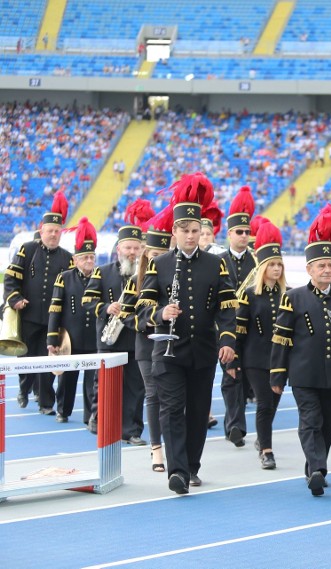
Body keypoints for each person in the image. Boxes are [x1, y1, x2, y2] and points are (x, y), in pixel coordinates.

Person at [136, 173, 238, 495]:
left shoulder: (216, 264)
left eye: (196, 230)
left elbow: (227, 307)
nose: (192, 235)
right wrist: (160, 313)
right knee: (170, 409)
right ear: (175, 231)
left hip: (203, 351)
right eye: (186, 230)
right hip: (167, 352)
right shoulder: (160, 264)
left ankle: (192, 465)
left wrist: (227, 339)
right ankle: (177, 471)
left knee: (196, 412)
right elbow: (142, 309)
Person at [270, 205, 331, 495]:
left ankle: (314, 463)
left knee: (327, 424)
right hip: (303, 374)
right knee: (310, 420)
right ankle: (318, 469)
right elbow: (281, 339)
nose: (326, 270)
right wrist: (277, 374)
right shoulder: (293, 298)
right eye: (320, 265)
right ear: (309, 269)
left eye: (330, 265)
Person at [4, 191, 74, 413]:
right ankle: (24, 389)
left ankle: (46, 403)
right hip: (29, 315)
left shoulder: (67, 257)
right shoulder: (28, 249)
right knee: (27, 358)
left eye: (57, 231)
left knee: (48, 360)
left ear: (60, 233)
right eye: (49, 231)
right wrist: (14, 298)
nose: (53, 235)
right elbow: (11, 278)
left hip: (53, 320)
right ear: (41, 230)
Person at [82, 222, 145, 443]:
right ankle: (100, 420)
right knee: (105, 386)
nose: (132, 252)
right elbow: (87, 300)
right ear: (119, 249)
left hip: (135, 339)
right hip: (109, 339)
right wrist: (106, 307)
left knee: (135, 389)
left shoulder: (145, 275)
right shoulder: (102, 271)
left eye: (136, 248)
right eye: (128, 248)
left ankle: (132, 431)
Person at [121, 210, 172, 471]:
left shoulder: (177, 279)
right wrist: (151, 320)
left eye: (163, 254)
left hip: (173, 345)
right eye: (154, 255)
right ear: (146, 255)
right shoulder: (134, 281)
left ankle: (173, 446)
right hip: (147, 344)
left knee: (172, 397)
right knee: (153, 395)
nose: (159, 259)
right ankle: (156, 448)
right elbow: (127, 317)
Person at [235, 220, 286, 470]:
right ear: (263, 267)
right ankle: (266, 450)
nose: (276, 269)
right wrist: (234, 360)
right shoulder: (249, 295)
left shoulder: (288, 295)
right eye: (272, 265)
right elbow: (240, 330)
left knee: (273, 404)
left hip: (280, 360)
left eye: (279, 265)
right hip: (255, 359)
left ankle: (261, 437)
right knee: (265, 403)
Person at [46, 218, 99, 424]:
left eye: (91, 257)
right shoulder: (64, 278)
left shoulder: (100, 276)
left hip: (93, 338)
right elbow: (55, 309)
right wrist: (52, 338)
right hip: (71, 338)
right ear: (76, 259)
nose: (88, 261)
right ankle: (63, 411)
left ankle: (90, 415)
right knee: (67, 379)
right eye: (84, 257)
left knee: (91, 382)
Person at [219, 186, 257, 448]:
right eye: (239, 232)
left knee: (246, 379)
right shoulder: (218, 261)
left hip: (253, 329)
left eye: (247, 232)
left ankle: (235, 423)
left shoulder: (258, 262)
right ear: (229, 234)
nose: (244, 236)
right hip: (226, 328)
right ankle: (235, 426)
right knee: (231, 375)